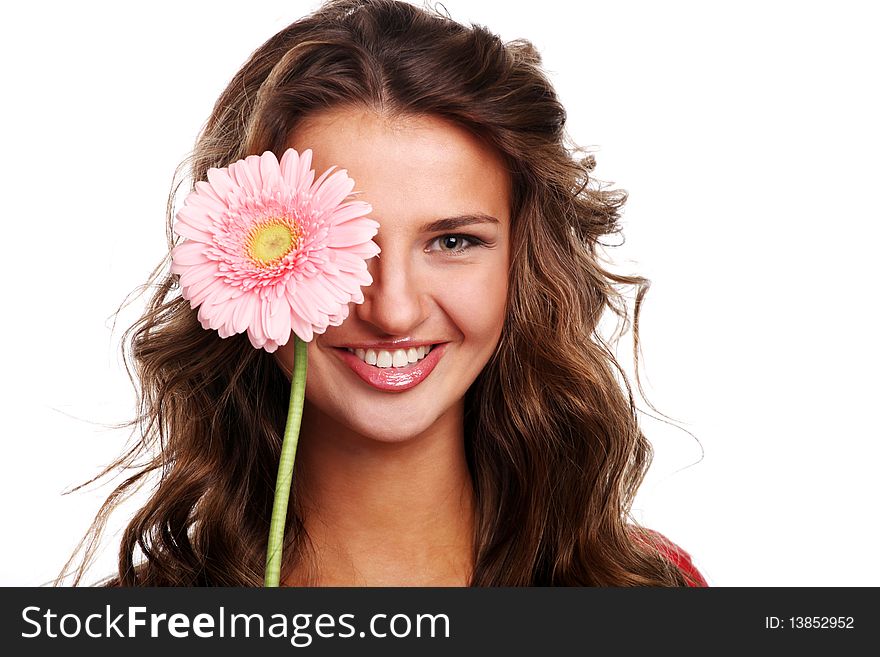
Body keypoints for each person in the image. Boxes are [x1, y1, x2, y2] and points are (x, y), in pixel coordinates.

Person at [62, 0, 706, 587]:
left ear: (526, 265)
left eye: (452, 242)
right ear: (234, 251)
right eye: (343, 246)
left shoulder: (646, 589)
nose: (392, 310)